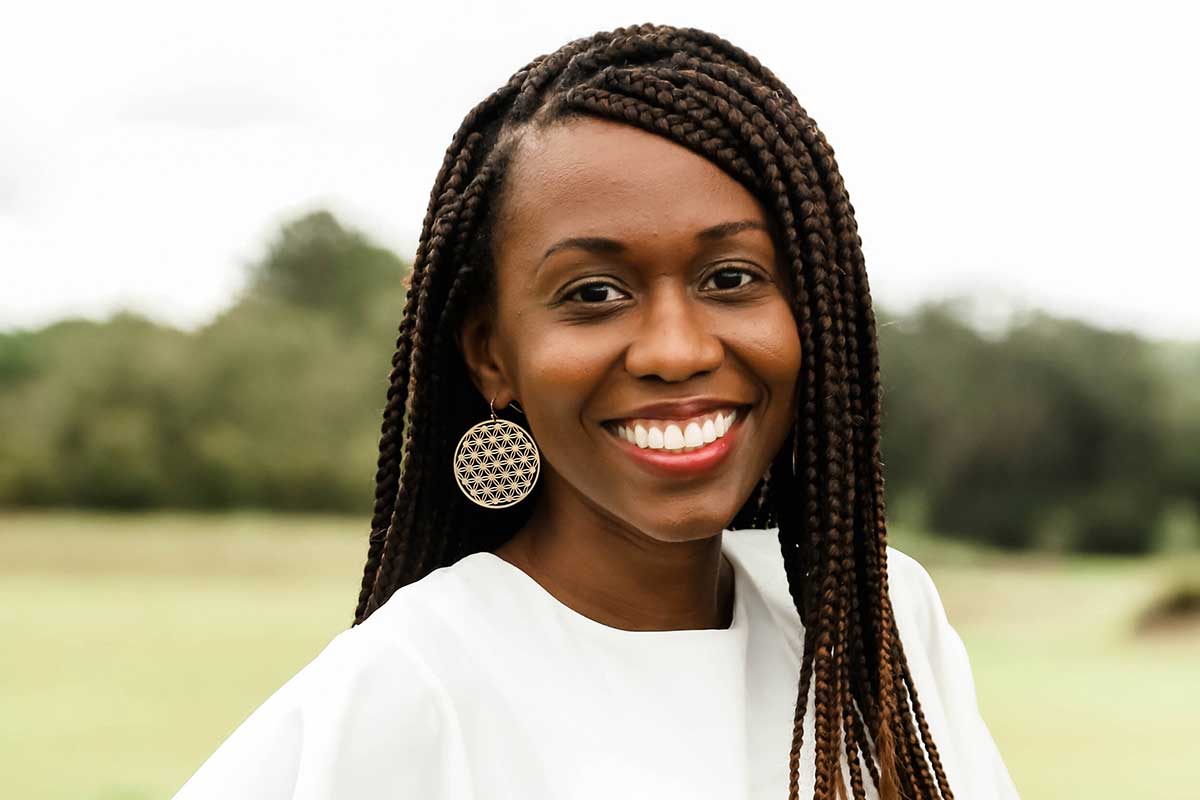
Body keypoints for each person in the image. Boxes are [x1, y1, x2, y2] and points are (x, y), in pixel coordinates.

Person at [173, 22, 1018, 800]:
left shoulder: (876, 621)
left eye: (730, 278)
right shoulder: (410, 687)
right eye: (594, 293)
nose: (675, 350)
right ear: (490, 355)